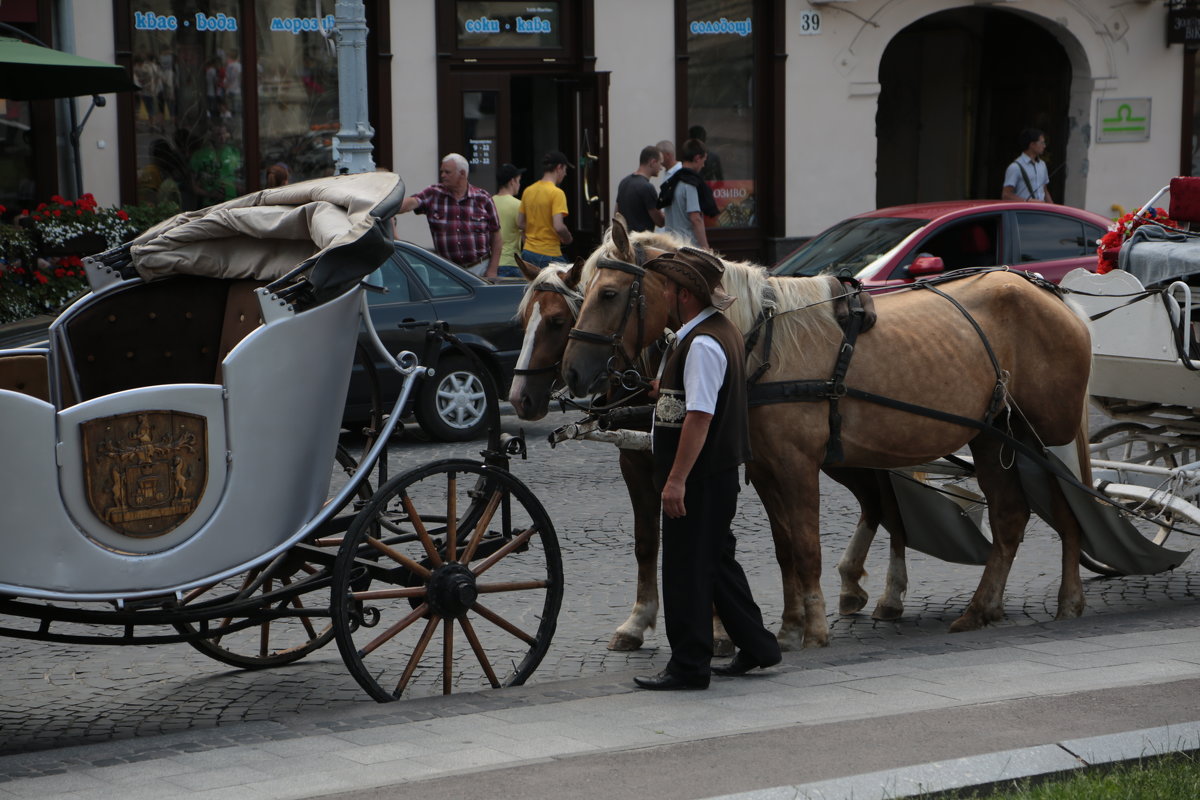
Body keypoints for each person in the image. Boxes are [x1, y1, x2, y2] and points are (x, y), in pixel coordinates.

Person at [634, 247, 781, 691]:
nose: (661, 294)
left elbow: (700, 416)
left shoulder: (701, 344)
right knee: (717, 565)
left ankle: (688, 666)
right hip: (714, 475)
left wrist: (675, 479)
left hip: (699, 478)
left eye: (666, 288)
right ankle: (758, 646)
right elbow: (695, 395)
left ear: (683, 295)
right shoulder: (715, 333)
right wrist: (664, 387)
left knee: (686, 571)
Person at [399, 153, 502, 277]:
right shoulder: (433, 193)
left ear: (462, 173)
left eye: (447, 172)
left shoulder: (483, 198)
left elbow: (496, 237)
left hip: (479, 268)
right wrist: (386, 205)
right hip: (447, 271)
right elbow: (410, 203)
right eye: (442, 172)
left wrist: (492, 270)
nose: (443, 175)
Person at [658, 138, 718, 248]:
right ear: (697, 158)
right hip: (688, 249)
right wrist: (706, 249)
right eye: (703, 161)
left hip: (671, 245)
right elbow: (695, 219)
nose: (703, 166)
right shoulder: (690, 183)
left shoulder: (672, 181)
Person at [518, 150, 573, 269]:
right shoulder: (556, 193)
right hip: (550, 254)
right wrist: (568, 238)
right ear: (559, 167)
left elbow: (520, 223)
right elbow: (559, 226)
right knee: (567, 284)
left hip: (528, 252)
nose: (565, 174)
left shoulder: (528, 191)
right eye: (565, 170)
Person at [615, 145, 665, 233]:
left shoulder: (624, 182)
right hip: (642, 242)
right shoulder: (647, 188)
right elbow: (660, 222)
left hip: (626, 240)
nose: (661, 168)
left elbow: (617, 214)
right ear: (652, 162)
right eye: (660, 163)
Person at [189, 122, 242, 204]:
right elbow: (193, 186)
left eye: (224, 134)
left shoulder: (234, 153)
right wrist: (210, 194)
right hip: (209, 205)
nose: (222, 138)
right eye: (218, 134)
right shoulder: (198, 156)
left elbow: (240, 178)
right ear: (211, 135)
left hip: (232, 202)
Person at [1002, 128, 1053, 204]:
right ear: (1032, 144)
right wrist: (1027, 202)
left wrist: (1053, 208)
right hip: (1023, 212)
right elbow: (1006, 195)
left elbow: (1044, 190)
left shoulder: (1042, 165)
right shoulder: (1015, 167)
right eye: (1042, 143)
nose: (1044, 146)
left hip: (1040, 212)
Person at [493, 162, 526, 278]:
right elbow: (524, 236)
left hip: (492, 263)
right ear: (512, 181)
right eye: (519, 180)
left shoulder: (489, 202)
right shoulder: (518, 205)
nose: (519, 184)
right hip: (512, 262)